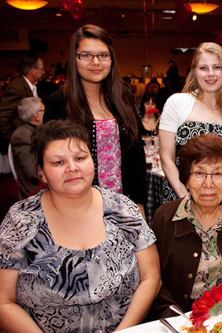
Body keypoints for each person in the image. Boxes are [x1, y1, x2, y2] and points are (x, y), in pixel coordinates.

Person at [0, 119, 161, 332]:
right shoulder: (21, 221)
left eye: (80, 158)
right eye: (58, 162)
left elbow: (151, 278)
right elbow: (4, 301)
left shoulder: (122, 209)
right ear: (41, 173)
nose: (72, 168)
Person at [145, 134, 222, 320]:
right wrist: (181, 322)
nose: (208, 184)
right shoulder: (165, 218)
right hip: (179, 323)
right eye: (199, 173)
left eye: (217, 174)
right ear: (186, 178)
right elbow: (154, 281)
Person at [44, 24, 147, 213]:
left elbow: (136, 154)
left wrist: (138, 206)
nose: (96, 62)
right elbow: (51, 160)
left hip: (123, 205)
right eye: (86, 55)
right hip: (77, 207)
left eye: (103, 55)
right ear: (74, 58)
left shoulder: (122, 95)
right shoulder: (59, 102)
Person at [158, 42, 222, 202]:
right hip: (180, 197)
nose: (211, 73)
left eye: (217, 67)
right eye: (203, 68)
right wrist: (188, 200)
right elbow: (166, 158)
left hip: (219, 201)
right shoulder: (178, 103)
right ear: (194, 71)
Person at [0, 52, 44, 154]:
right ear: (33, 70)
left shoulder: (29, 86)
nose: (43, 72)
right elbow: (2, 117)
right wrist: (13, 139)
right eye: (41, 69)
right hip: (21, 140)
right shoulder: (16, 87)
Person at [10, 97, 44, 199]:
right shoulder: (22, 136)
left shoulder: (35, 130)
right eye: (44, 111)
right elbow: (32, 172)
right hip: (35, 193)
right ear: (36, 116)